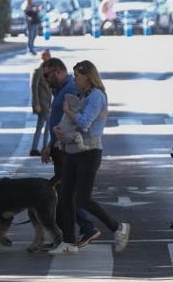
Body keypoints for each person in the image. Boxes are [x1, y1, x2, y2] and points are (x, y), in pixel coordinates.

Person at [49, 60, 130, 255]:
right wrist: (60, 131)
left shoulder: (96, 96)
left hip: (89, 153)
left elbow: (85, 123)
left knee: (83, 199)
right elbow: (73, 124)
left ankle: (118, 227)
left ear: (88, 76)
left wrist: (67, 111)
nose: (74, 79)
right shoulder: (82, 95)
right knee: (65, 198)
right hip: (72, 152)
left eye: (77, 75)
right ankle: (69, 242)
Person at [40, 57, 100, 250]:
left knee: (67, 194)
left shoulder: (71, 89)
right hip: (60, 147)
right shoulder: (60, 90)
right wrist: (50, 144)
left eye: (47, 75)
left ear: (58, 71)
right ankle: (65, 237)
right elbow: (59, 120)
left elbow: (79, 118)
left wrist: (64, 138)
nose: (45, 79)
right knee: (62, 193)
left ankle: (83, 229)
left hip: (69, 149)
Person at [29, 49, 52, 156]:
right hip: (41, 104)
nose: (47, 59)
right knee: (49, 124)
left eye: (49, 57)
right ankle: (44, 148)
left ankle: (34, 148)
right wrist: (36, 103)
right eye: (45, 57)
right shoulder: (39, 71)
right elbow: (34, 87)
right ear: (43, 58)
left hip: (47, 103)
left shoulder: (49, 71)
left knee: (40, 126)